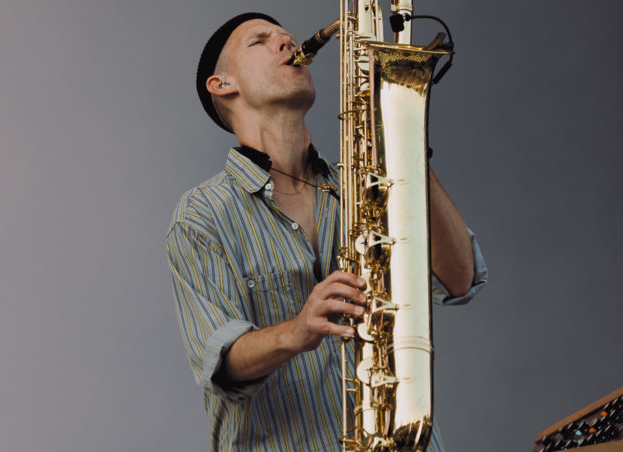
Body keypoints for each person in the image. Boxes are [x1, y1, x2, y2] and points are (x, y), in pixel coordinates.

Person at [165, 12, 488, 451]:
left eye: (286, 36)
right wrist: (298, 329)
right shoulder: (200, 216)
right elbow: (220, 361)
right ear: (222, 84)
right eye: (260, 40)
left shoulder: (370, 183)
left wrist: (402, 139)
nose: (287, 41)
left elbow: (459, 279)